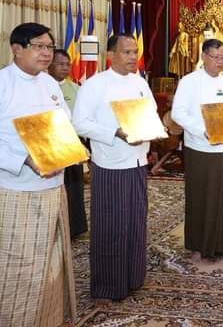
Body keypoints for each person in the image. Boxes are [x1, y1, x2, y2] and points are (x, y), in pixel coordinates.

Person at [0, 23, 76, 326]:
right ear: (16, 49)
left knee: (51, 262)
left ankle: (47, 320)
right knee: (19, 266)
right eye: (38, 46)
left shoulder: (50, 84)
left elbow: (65, 124)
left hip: (54, 185)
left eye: (49, 47)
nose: (46, 53)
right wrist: (23, 159)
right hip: (16, 190)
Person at [72, 34, 155, 300]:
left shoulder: (140, 82)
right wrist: (114, 133)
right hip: (110, 165)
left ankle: (133, 277)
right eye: (126, 52)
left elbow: (151, 114)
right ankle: (109, 286)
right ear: (110, 55)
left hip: (138, 162)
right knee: (111, 225)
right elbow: (79, 123)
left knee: (135, 223)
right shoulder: (95, 85)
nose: (132, 57)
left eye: (135, 52)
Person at [171, 38, 223, 259]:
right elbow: (178, 113)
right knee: (201, 196)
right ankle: (199, 244)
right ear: (204, 56)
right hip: (200, 148)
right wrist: (203, 130)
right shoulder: (189, 82)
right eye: (215, 57)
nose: (220, 62)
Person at [48, 49, 88, 239]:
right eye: (60, 64)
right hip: (51, 145)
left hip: (72, 142)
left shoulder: (76, 88)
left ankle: (75, 228)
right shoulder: (45, 86)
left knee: (74, 187)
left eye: (67, 64)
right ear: (50, 65)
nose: (65, 68)